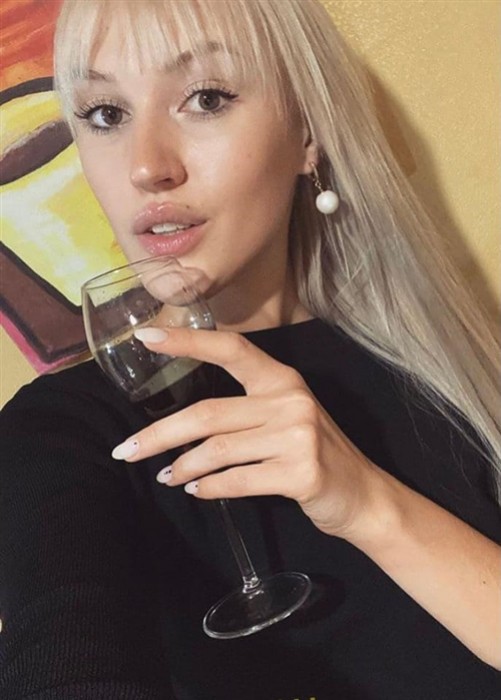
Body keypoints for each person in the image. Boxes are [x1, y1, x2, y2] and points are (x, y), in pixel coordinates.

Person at [1, 0, 500, 698]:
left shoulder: (454, 377)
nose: (146, 166)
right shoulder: (61, 431)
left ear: (306, 134)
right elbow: (60, 650)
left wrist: (370, 506)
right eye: (106, 114)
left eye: (205, 99)